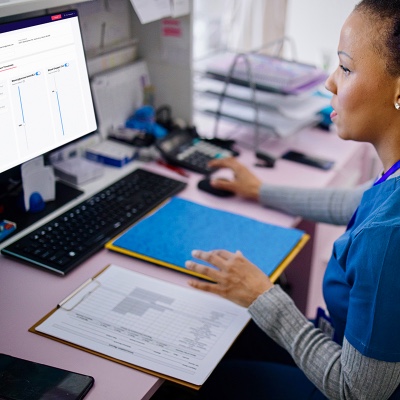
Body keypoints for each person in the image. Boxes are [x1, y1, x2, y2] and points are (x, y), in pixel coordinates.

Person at [183, 1, 400, 399]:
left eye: (346, 68)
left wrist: (263, 295)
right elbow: (355, 203)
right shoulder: (394, 183)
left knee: (198, 379)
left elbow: (357, 392)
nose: (330, 83)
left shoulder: (388, 237)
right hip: (342, 347)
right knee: (227, 334)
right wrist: (259, 191)